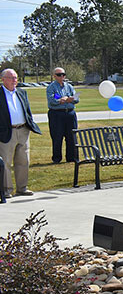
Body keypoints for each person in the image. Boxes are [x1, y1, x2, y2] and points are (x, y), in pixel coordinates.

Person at [0, 69, 40, 197]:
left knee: (23, 161)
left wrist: (29, 124)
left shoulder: (22, 93)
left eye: (16, 78)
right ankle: (6, 190)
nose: (14, 80)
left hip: (23, 130)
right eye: (11, 78)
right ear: (3, 79)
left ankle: (22, 188)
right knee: (6, 162)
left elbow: (27, 110)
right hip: (6, 132)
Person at [46, 67, 79, 163]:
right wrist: (60, 100)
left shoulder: (69, 86)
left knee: (71, 136)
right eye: (59, 75)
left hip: (70, 113)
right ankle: (57, 158)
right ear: (54, 76)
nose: (62, 76)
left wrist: (69, 99)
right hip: (57, 114)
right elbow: (52, 101)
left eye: (63, 74)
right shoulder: (51, 87)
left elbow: (76, 98)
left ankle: (71, 158)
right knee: (57, 136)